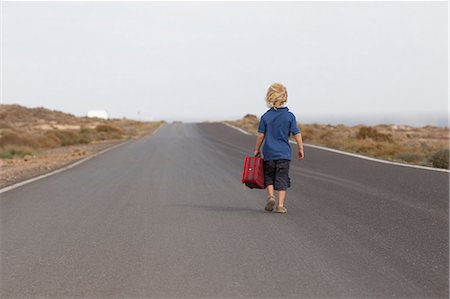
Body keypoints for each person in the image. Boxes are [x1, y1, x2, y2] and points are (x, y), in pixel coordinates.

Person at [254, 83, 304, 214]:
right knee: (282, 178)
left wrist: (257, 149)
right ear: (285, 97)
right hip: (284, 154)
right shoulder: (289, 116)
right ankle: (280, 205)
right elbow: (297, 133)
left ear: (269, 97)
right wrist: (300, 148)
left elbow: (261, 135)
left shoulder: (265, 117)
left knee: (269, 176)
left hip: (269, 153)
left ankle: (271, 197)